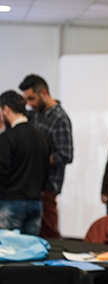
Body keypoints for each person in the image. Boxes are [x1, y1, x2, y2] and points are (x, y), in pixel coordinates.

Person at [19, 74, 73, 239]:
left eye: (31, 98)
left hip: (47, 186)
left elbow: (65, 155)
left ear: (43, 93)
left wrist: (37, 159)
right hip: (30, 185)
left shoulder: (60, 119)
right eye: (26, 99)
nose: (29, 103)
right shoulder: (34, 114)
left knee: (48, 231)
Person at [0, 90, 49, 235]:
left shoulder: (7, 138)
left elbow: (2, 171)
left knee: (7, 251)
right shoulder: (41, 136)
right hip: (36, 203)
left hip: (11, 203)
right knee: (31, 251)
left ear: (6, 109)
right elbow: (46, 170)